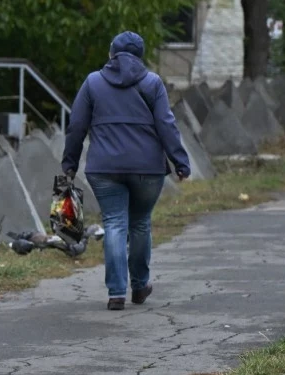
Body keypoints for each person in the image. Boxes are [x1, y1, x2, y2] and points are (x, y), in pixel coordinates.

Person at [62, 31, 191, 311]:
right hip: (147, 169)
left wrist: (69, 163)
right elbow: (166, 125)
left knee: (115, 224)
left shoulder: (93, 82)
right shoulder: (153, 83)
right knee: (141, 222)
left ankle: (116, 292)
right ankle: (141, 285)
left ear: (112, 53)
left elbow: (76, 126)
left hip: (104, 168)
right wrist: (180, 161)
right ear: (139, 56)